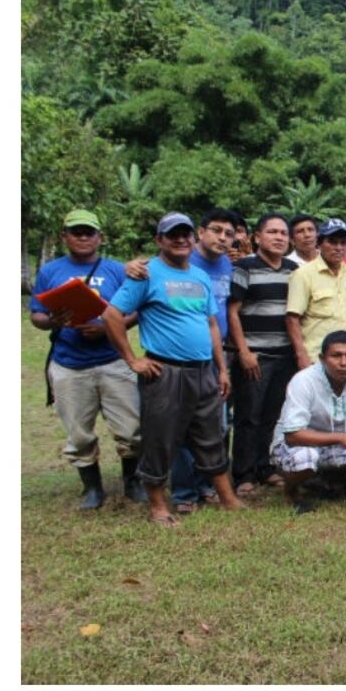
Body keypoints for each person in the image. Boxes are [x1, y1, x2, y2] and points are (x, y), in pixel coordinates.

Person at [102, 212, 245, 527]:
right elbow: (112, 315)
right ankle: (158, 506)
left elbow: (210, 324)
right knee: (160, 439)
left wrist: (221, 369)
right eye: (172, 235)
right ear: (159, 241)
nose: (180, 240)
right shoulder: (146, 274)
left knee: (212, 434)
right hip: (165, 372)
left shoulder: (200, 276)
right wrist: (132, 360)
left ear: (193, 238)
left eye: (185, 234)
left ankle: (228, 498)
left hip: (203, 370)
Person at [29, 209, 143, 509]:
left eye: (88, 232)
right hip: (69, 363)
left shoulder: (117, 271)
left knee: (131, 429)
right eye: (76, 232)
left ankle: (133, 481)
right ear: (64, 236)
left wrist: (107, 327)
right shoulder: (50, 271)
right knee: (79, 433)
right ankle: (92, 488)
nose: (82, 237)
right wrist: (53, 321)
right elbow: (36, 315)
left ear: (99, 237)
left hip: (113, 360)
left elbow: (134, 311)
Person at [270, 330, 346, 514]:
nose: (343, 363)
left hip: (334, 442)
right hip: (298, 444)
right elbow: (293, 436)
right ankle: (291, 490)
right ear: (322, 358)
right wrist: (342, 438)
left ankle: (332, 481)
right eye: (336, 356)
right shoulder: (304, 380)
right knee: (306, 458)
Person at [227, 212, 298, 496]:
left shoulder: (293, 270)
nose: (279, 237)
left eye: (283, 233)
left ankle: (264, 466)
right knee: (248, 415)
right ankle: (243, 473)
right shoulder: (244, 267)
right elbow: (232, 311)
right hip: (255, 355)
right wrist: (243, 351)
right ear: (257, 237)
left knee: (272, 415)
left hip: (285, 354)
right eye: (272, 232)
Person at [285, 218, 346, 369]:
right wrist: (301, 355)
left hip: (345, 359)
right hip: (314, 358)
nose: (338, 247)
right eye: (332, 242)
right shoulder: (303, 274)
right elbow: (292, 319)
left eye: (343, 243)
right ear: (319, 243)